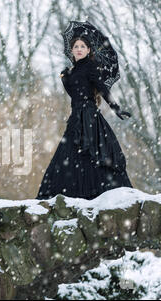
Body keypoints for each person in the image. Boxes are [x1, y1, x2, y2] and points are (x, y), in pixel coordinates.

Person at [36, 36, 133, 200]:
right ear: (72, 50)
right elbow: (74, 94)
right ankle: (70, 195)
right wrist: (65, 79)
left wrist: (115, 107)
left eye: (82, 46)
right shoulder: (73, 70)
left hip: (88, 116)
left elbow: (101, 88)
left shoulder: (91, 66)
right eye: (76, 46)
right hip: (75, 117)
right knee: (69, 154)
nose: (79, 49)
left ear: (88, 50)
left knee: (92, 152)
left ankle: (97, 194)